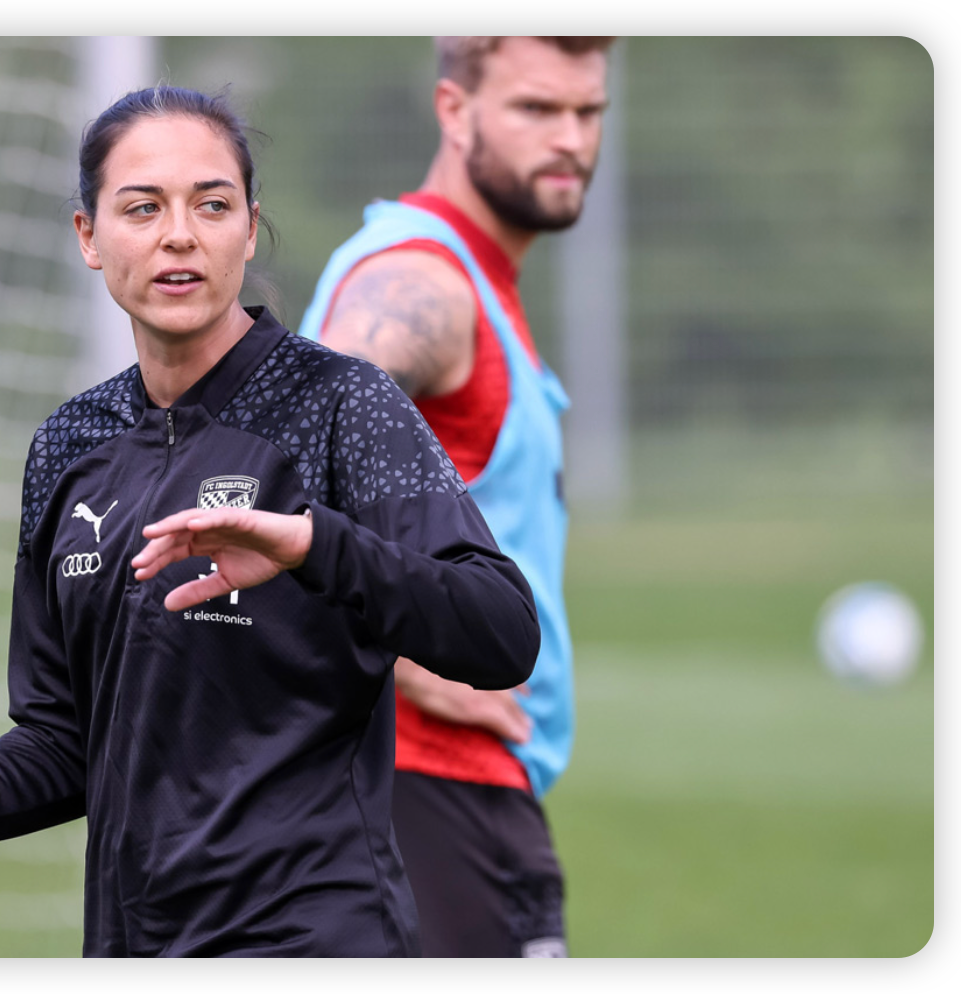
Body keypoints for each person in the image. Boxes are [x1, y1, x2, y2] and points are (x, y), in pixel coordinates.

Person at [0, 84, 540, 958]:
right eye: (141, 208)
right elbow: (66, 744)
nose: (178, 234)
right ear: (89, 238)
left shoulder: (340, 404)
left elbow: (499, 630)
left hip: (315, 931)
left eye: (211, 205)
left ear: (249, 230)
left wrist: (312, 544)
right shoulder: (70, 444)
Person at [299, 36, 615, 957]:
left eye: (586, 112)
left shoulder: (476, 279)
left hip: (457, 790)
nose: (569, 139)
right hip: (426, 788)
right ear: (453, 109)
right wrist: (408, 665)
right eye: (535, 109)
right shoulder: (422, 285)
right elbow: (274, 465)